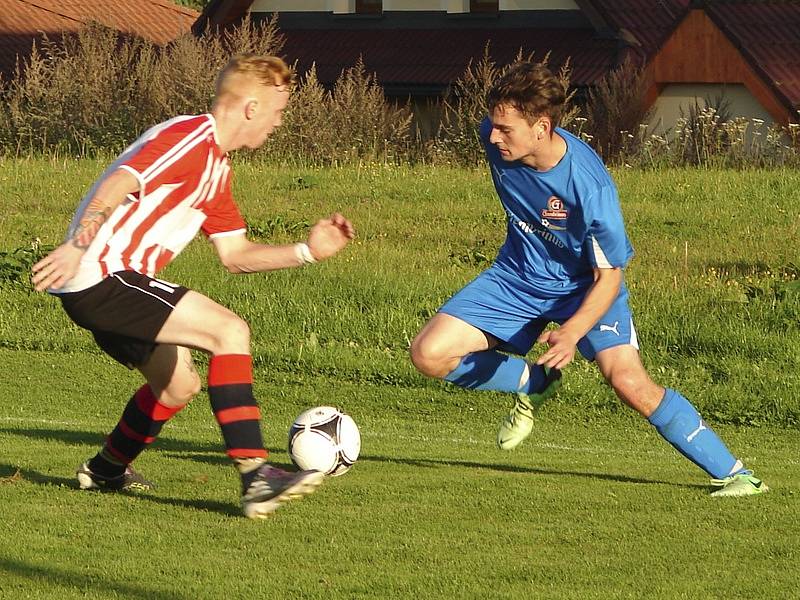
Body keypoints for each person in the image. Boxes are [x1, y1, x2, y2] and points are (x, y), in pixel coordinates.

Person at [410, 62, 767, 497]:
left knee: (628, 383)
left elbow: (609, 277)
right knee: (429, 354)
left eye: (505, 129)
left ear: (541, 128)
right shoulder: (496, 140)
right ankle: (534, 382)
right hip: (517, 276)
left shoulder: (590, 188)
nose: (492, 136)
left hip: (587, 288)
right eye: (494, 125)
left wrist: (572, 331)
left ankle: (735, 474)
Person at [31, 54, 356, 519]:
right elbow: (122, 181)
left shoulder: (217, 170)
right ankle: (257, 476)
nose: (279, 123)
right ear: (250, 107)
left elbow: (236, 255)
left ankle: (105, 470)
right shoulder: (189, 139)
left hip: (110, 281)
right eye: (278, 111)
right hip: (102, 275)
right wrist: (78, 247)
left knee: (179, 385)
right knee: (230, 332)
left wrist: (307, 251)